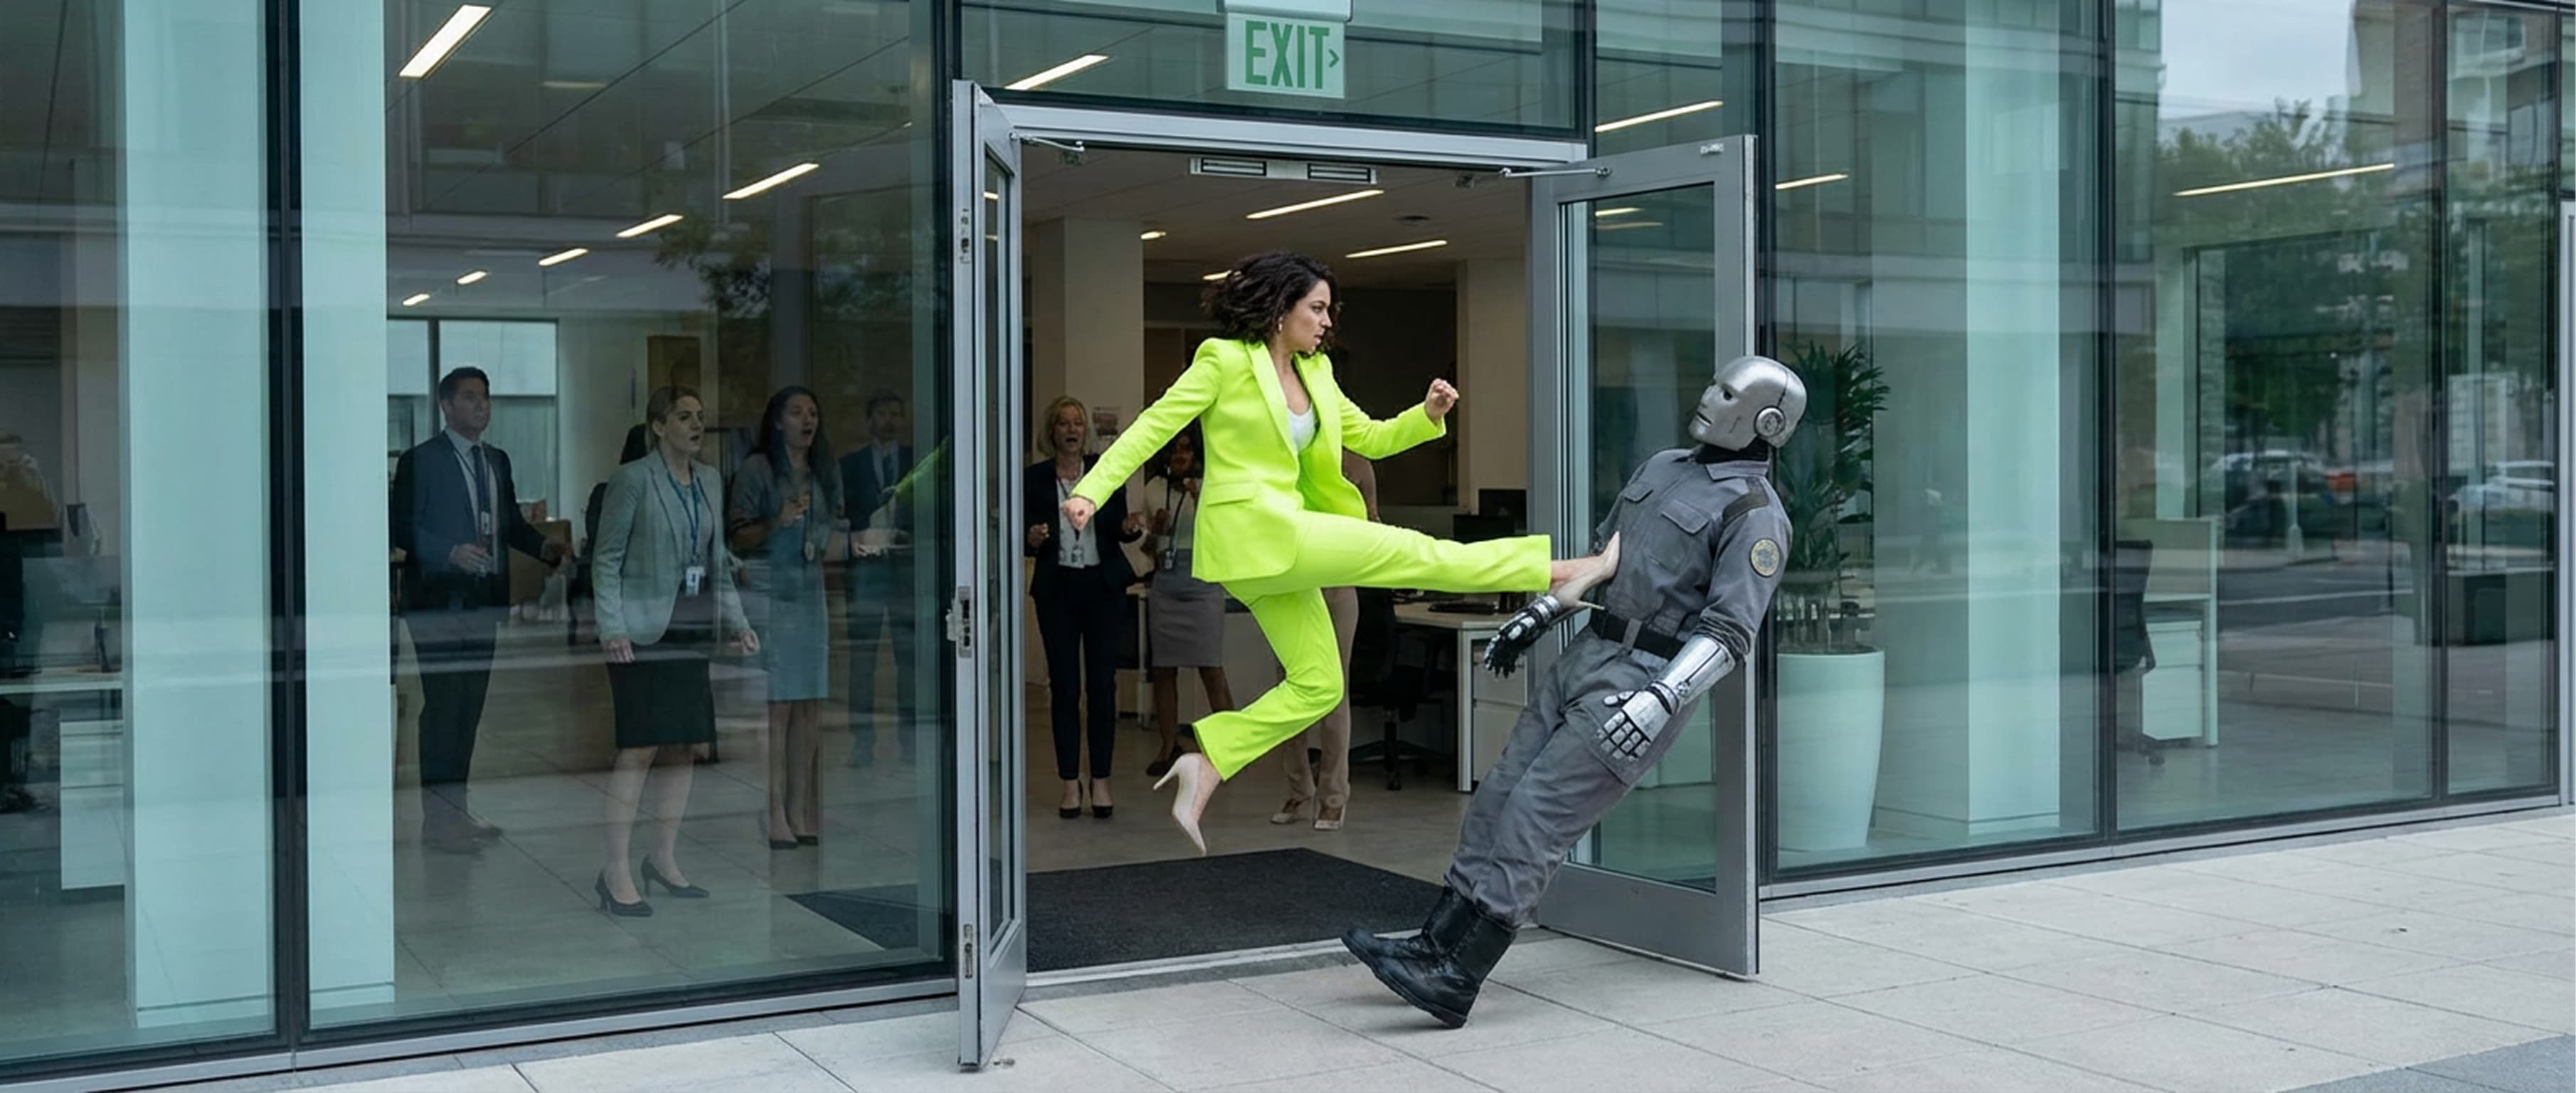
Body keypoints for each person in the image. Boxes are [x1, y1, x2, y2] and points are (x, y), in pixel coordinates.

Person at [1060, 250, 1619, 853]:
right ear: (1282, 308)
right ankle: (1555, 572)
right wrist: (1091, 490)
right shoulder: (1223, 359)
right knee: (1416, 552)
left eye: (1330, 310)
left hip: (1283, 544)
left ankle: (1210, 761)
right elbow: (1152, 426)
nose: (1327, 321)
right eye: (1318, 308)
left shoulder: (1318, 372)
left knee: (1319, 685)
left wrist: (1427, 415)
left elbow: (1372, 438)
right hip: (1255, 532)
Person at [1342, 354, 1805, 1028]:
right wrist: (1538, 614)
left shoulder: (1754, 514)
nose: (1710, 397)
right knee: (1498, 796)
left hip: (1639, 681)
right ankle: (1434, 944)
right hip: (1586, 653)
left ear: (1765, 421)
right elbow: (1603, 561)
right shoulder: (1663, 468)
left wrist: (1659, 701)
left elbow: (1730, 633)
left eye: (1728, 393)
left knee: (1537, 816)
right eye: (1714, 384)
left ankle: (1458, 976)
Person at [592, 386, 758, 916]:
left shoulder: (709, 479)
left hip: (689, 624)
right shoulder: (632, 479)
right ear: (658, 427)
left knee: (685, 745)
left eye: (699, 416)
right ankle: (615, 869)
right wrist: (612, 628)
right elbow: (606, 559)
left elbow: (716, 558)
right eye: (683, 416)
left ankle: (662, 858)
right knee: (639, 747)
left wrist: (738, 622)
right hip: (639, 631)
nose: (696, 424)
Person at [390, 366, 567, 855]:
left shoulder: (496, 460)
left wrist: (544, 547)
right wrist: (450, 552)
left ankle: (457, 811)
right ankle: (437, 823)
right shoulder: (421, 461)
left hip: (483, 602)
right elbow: (402, 527)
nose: (481, 406)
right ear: (447, 406)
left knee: (469, 710)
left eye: (485, 398)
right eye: (469, 398)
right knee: (443, 709)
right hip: (438, 604)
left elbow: (508, 523)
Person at [729, 386, 853, 848]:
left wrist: (847, 542)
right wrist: (776, 521)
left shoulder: (823, 470)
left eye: (813, 413)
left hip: (810, 596)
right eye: (797, 412)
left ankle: (800, 808)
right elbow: (737, 537)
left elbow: (834, 526)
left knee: (809, 707)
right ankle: (773, 809)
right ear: (777, 421)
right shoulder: (757, 469)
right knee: (778, 706)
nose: (807, 420)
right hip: (771, 596)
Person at [1027, 396, 1144, 820]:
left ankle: (1101, 781)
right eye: (1064, 423)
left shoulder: (1103, 471)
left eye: (1078, 423)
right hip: (1058, 590)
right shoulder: (1035, 478)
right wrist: (1032, 538)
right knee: (1064, 687)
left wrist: (1129, 528)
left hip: (1101, 587)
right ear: (1052, 432)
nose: (1072, 430)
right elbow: (1024, 535)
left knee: (1102, 686)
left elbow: (1117, 528)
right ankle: (1069, 783)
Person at [1271, 448, 1379, 831]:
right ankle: (1299, 788)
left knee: (1334, 692)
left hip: (1336, 586)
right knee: (1290, 690)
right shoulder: (1286, 456)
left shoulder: (1357, 466)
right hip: (1293, 589)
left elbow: (1373, 526)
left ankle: (1334, 797)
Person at [1138, 425, 1234, 779]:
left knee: (1211, 667)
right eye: (1175, 450)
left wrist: (1199, 501)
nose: (1180, 456)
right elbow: (1146, 548)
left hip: (1203, 584)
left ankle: (1229, 749)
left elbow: (1226, 536)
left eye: (1187, 449)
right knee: (1164, 669)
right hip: (1166, 584)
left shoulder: (1212, 487)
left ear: (1198, 454)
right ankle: (1169, 745)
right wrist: (1157, 530)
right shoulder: (1154, 489)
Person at [838, 392, 920, 769]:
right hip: (866, 568)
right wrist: (859, 536)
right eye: (882, 414)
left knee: (909, 658)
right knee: (862, 659)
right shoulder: (849, 465)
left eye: (895, 414)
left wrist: (907, 535)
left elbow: (930, 509)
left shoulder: (916, 462)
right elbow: (841, 514)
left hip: (905, 566)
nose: (889, 420)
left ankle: (910, 741)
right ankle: (862, 742)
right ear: (869, 420)